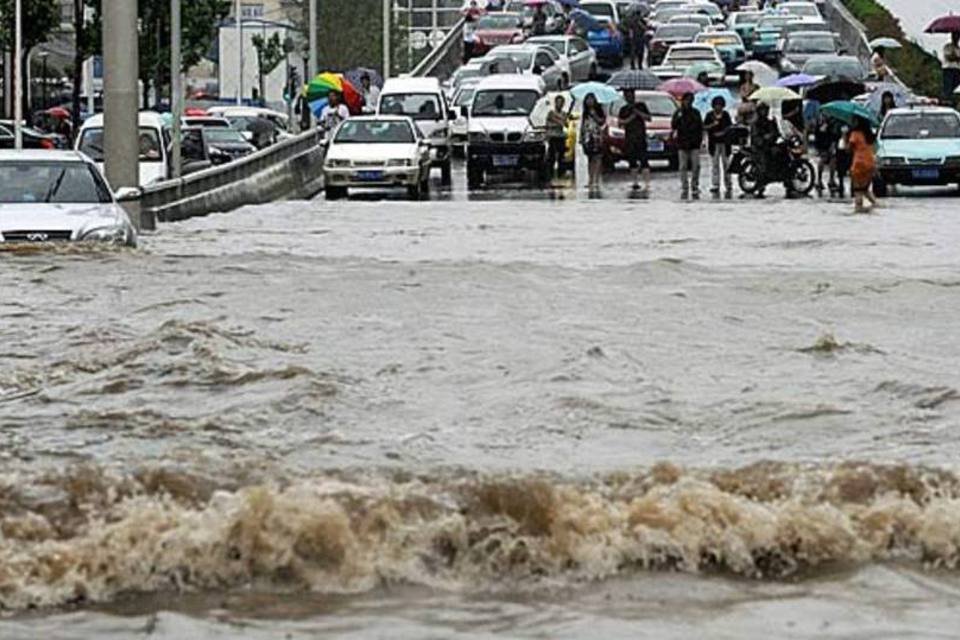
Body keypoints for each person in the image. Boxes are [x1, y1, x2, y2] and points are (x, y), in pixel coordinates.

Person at [671, 92, 703, 200]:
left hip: (694, 143)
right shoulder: (678, 113)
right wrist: (678, 117)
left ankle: (695, 184)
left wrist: (700, 141)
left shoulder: (696, 113)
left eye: (690, 100)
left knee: (696, 166)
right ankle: (684, 185)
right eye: (686, 100)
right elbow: (673, 126)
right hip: (682, 143)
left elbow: (700, 127)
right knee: (683, 166)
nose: (688, 103)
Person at [619, 88, 652, 193]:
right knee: (632, 160)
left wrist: (638, 112)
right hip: (629, 137)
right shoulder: (623, 109)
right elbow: (621, 123)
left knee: (644, 160)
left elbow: (648, 118)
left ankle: (647, 183)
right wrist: (630, 118)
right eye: (627, 96)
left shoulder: (641, 106)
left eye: (631, 95)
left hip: (641, 137)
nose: (629, 98)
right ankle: (635, 182)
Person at [703, 95, 733, 199]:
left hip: (725, 143)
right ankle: (715, 184)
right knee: (714, 164)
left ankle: (728, 183)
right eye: (716, 105)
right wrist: (712, 125)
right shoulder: (709, 115)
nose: (718, 107)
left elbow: (730, 127)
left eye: (720, 105)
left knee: (726, 164)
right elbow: (704, 127)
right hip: (713, 143)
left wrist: (722, 133)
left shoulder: (726, 115)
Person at [749, 101, 781, 197]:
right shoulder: (755, 123)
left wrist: (775, 126)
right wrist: (764, 138)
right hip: (759, 147)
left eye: (766, 110)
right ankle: (760, 184)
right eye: (762, 110)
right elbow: (755, 138)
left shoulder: (770, 122)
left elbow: (777, 134)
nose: (764, 112)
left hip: (770, 145)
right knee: (762, 163)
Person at [848, 116, 878, 212]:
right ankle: (876, 205)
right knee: (864, 189)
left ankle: (858, 208)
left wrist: (844, 136)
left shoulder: (855, 134)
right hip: (870, 162)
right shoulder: (869, 135)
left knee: (858, 190)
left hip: (858, 163)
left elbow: (848, 149)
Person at [580, 93, 606, 192]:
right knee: (590, 158)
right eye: (588, 100)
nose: (590, 102)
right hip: (587, 137)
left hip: (596, 136)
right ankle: (590, 179)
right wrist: (581, 137)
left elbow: (602, 122)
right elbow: (583, 124)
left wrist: (594, 115)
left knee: (598, 157)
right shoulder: (585, 112)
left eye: (591, 99)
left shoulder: (599, 111)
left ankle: (596, 179)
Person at [813, 111, 841, 196]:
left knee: (830, 159)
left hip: (822, 142)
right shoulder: (826, 121)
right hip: (825, 142)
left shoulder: (821, 119)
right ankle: (826, 180)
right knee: (829, 159)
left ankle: (824, 180)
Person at [546, 95, 569, 178]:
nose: (559, 104)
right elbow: (549, 123)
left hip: (561, 136)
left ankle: (561, 172)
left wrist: (564, 121)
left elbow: (566, 124)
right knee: (551, 155)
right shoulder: (551, 113)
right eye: (558, 102)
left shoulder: (564, 114)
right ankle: (550, 173)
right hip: (553, 136)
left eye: (561, 103)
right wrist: (558, 122)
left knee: (561, 156)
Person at [943, 32, 960, 100]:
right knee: (948, 86)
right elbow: (949, 57)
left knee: (955, 85)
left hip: (957, 69)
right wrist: (956, 57)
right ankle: (946, 98)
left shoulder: (958, 48)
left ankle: (951, 98)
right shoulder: (948, 47)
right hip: (948, 68)